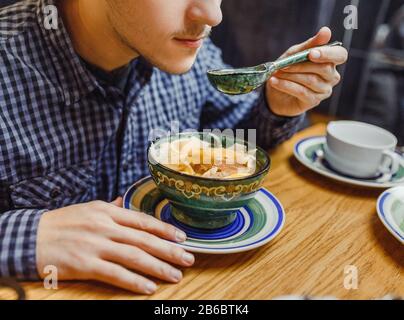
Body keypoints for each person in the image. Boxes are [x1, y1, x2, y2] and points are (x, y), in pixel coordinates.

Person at [0, 0, 348, 294]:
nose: (213, 15)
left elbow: (238, 136)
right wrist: (23, 238)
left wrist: (275, 104)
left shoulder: (183, 48)